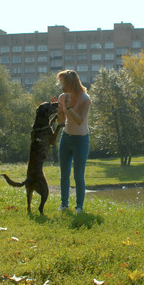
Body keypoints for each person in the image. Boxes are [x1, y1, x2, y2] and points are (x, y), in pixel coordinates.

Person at [50, 70, 91, 213]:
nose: (61, 87)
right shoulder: (62, 97)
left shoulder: (85, 99)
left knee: (78, 176)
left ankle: (79, 207)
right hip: (66, 139)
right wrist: (60, 111)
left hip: (81, 141)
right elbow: (62, 122)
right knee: (64, 174)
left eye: (64, 83)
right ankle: (64, 204)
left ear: (72, 83)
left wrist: (67, 107)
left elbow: (79, 121)